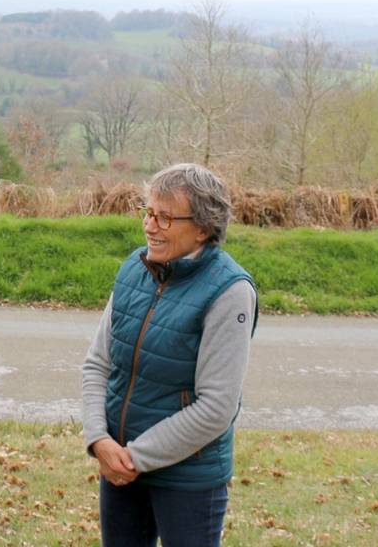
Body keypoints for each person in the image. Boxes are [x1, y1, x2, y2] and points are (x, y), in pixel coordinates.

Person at [81, 163, 257, 547]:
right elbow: (99, 363)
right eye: (147, 212)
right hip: (120, 468)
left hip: (187, 479)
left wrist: (134, 457)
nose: (149, 226)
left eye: (164, 217)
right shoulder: (134, 267)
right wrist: (99, 440)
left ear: (203, 228)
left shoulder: (229, 292)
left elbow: (217, 407)